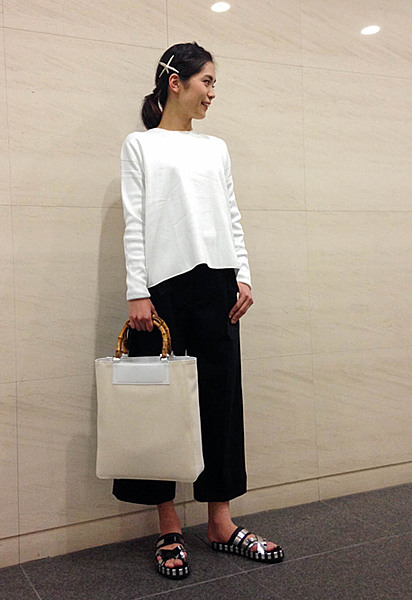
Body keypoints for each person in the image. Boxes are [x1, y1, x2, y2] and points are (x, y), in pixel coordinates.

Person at [113, 42, 284, 579]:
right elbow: (135, 221)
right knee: (160, 408)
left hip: (218, 284)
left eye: (214, 84)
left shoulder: (215, 148)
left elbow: (231, 214)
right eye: (206, 81)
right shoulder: (140, 145)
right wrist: (137, 291)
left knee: (221, 398)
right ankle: (168, 527)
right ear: (175, 82)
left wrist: (243, 275)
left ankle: (220, 523)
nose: (212, 93)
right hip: (160, 291)